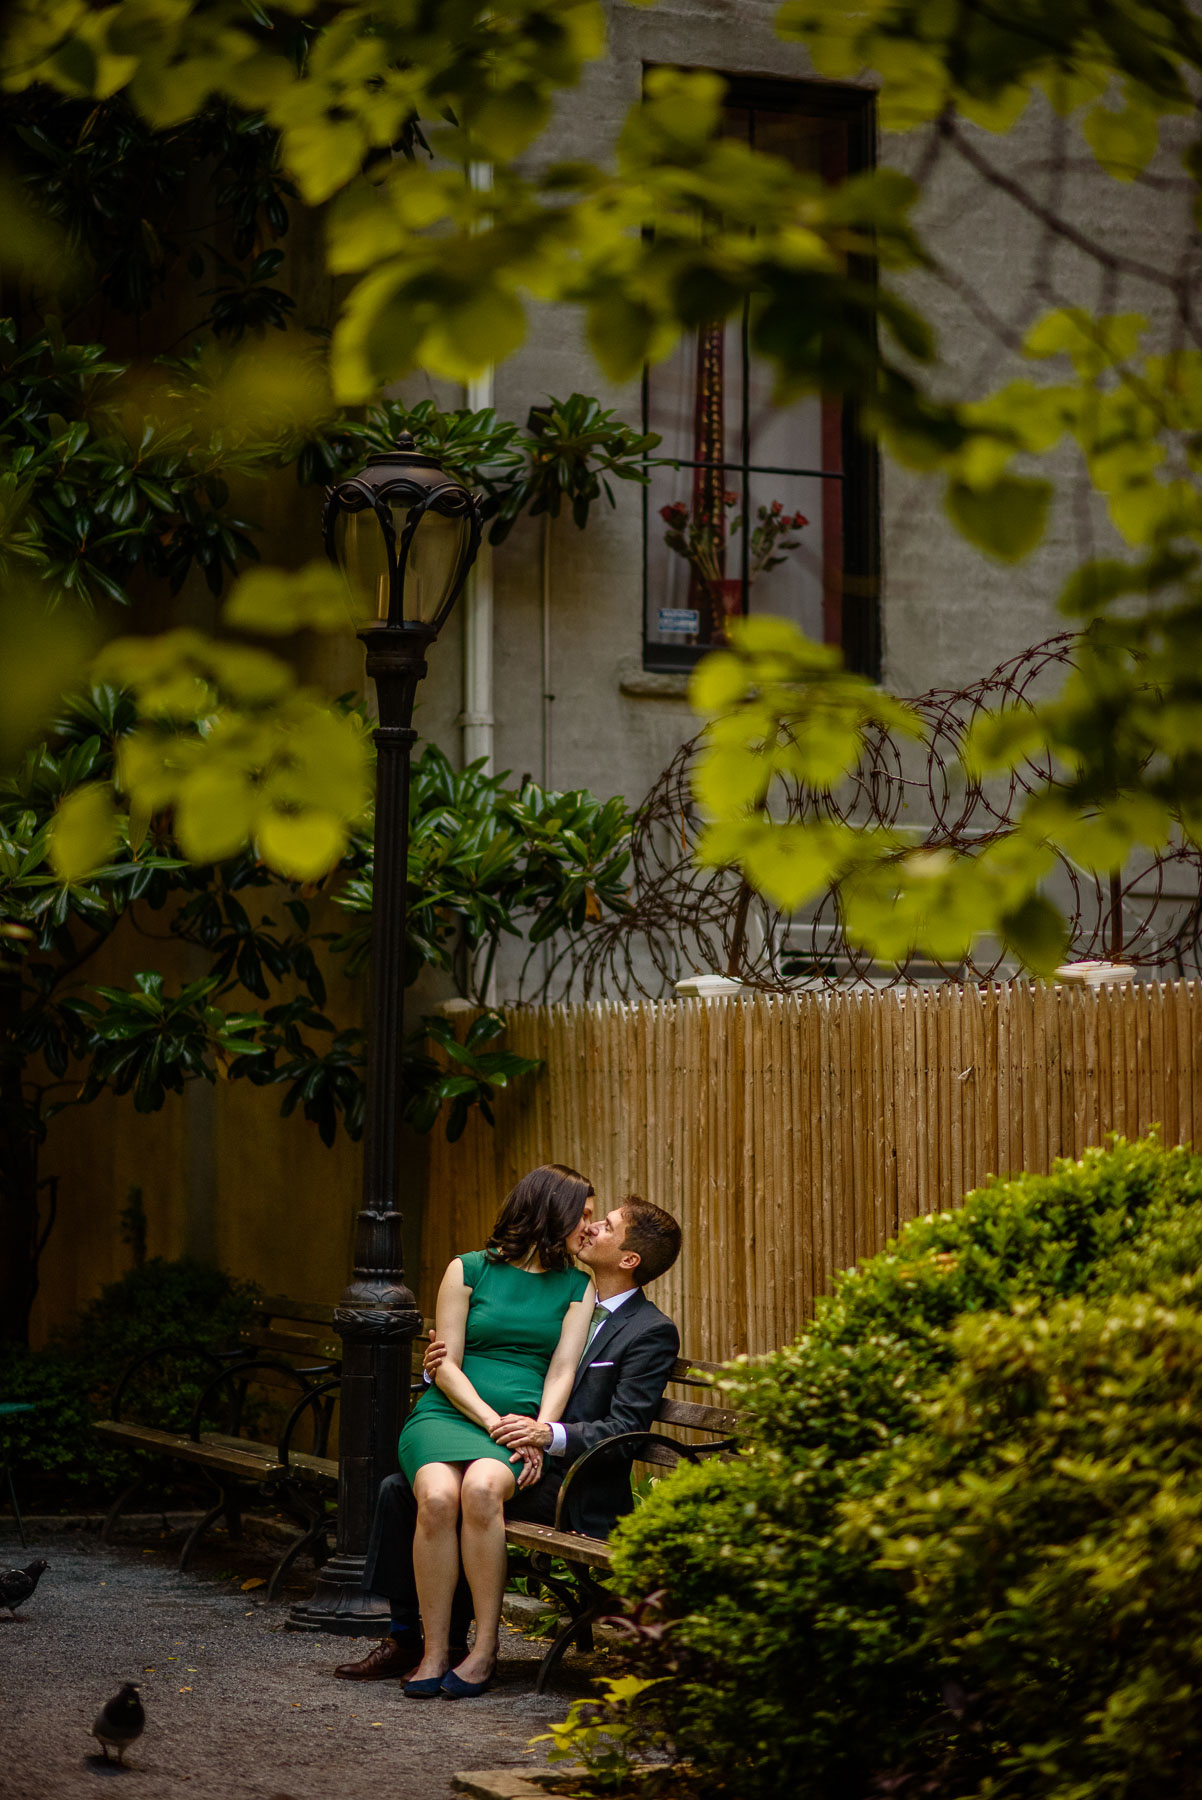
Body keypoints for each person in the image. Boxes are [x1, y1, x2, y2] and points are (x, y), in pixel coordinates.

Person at [335, 1193, 683, 1688]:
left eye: (604, 1226)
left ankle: (462, 1646)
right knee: (404, 1490)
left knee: (462, 1492)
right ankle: (411, 1639)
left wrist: (547, 1434)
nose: (590, 1228)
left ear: (629, 1260)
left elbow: (626, 1429)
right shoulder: (559, 1290)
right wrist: (445, 1366)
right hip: (505, 1438)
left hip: (571, 1478)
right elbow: (501, 1350)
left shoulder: (648, 1331)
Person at [389, 1163, 598, 1700]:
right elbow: (446, 1362)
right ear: (553, 1211)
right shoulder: (468, 1269)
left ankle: (484, 1649)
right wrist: (489, 1419)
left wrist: (538, 1429)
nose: (590, 1228)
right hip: (448, 1415)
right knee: (436, 1498)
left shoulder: (580, 1285)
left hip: (522, 1426)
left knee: (482, 1490)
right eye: (585, 1215)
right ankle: (435, 1651)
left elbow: (562, 1368)